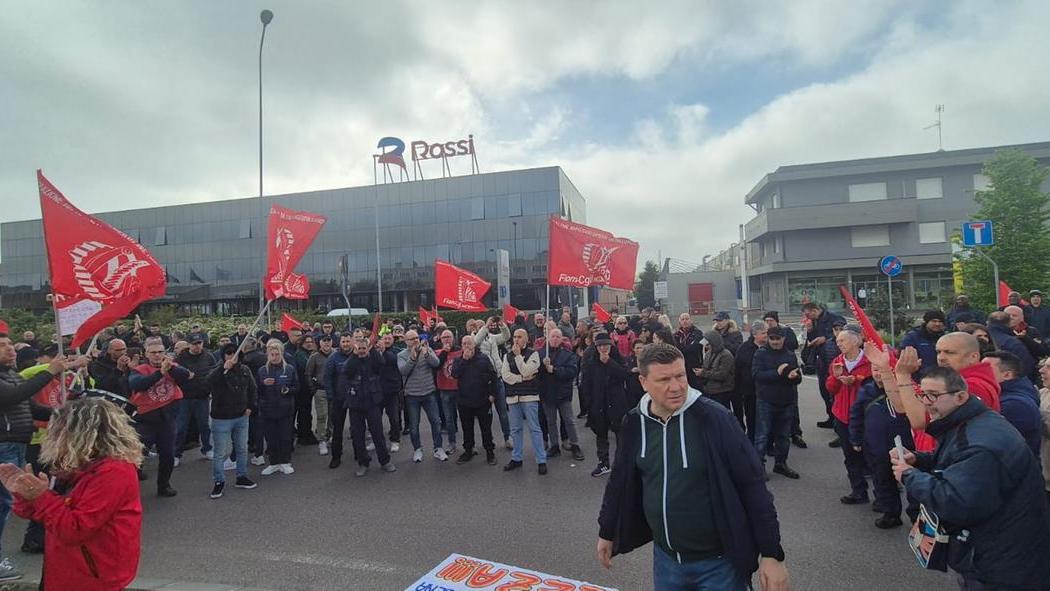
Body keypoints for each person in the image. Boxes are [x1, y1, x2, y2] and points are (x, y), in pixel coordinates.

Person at [596, 343, 790, 590]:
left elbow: (753, 487)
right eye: (664, 379)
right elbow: (619, 481)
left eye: (680, 375)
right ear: (643, 382)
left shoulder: (715, 420)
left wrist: (772, 554)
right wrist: (607, 530)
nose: (676, 387)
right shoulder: (635, 423)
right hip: (667, 563)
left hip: (720, 565)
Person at [891, 366, 1050, 589]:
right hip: (999, 547)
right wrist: (918, 459)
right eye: (922, 394)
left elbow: (955, 501)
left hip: (1001, 559)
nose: (926, 402)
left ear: (960, 396)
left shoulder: (980, 443)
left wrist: (909, 476)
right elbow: (957, 461)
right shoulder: (974, 421)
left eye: (933, 395)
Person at [2, 397, 143, 591]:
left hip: (93, 574)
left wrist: (40, 496)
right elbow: (41, 515)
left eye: (59, 431)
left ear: (80, 434)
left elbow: (74, 529)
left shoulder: (114, 471)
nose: (51, 436)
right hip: (68, 567)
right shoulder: (77, 467)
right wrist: (24, 493)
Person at [0, 330, 74, 582]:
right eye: (3, 346)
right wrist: (49, 371)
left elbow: (31, 407)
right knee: (2, 504)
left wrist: (64, 415)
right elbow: (11, 397)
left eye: (10, 344)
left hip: (16, 444)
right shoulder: (7, 382)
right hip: (4, 445)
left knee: (6, 504)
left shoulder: (9, 375)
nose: (11, 349)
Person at [847, 360, 912, 529]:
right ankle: (891, 514)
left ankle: (916, 516)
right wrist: (855, 438)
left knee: (912, 483)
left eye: (884, 370)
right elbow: (856, 415)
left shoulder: (906, 390)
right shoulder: (866, 391)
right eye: (875, 369)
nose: (879, 374)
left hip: (906, 447)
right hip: (876, 447)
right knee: (883, 481)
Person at [129, 336, 191, 497]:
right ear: (146, 354)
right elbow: (138, 384)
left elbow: (185, 375)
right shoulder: (139, 370)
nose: (157, 355)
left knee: (167, 455)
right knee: (137, 455)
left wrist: (169, 368)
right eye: (153, 352)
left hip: (167, 420)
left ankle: (164, 486)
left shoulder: (171, 366)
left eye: (160, 352)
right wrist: (159, 374)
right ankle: (131, 486)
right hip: (145, 420)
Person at [825, 326, 871, 504]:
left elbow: (876, 385)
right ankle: (859, 491)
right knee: (850, 456)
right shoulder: (837, 361)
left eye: (842, 341)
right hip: (843, 414)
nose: (839, 344)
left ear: (855, 341)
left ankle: (885, 496)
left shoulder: (869, 360)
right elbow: (831, 389)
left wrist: (857, 380)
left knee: (874, 455)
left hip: (866, 415)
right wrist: (836, 378)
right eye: (837, 341)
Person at [206, 344, 258, 499]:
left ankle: (241, 476)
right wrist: (223, 369)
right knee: (220, 452)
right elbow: (207, 382)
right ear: (223, 356)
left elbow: (252, 389)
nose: (231, 356)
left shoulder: (245, 370)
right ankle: (219, 481)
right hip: (221, 418)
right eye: (227, 354)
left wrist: (250, 406)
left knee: (242, 448)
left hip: (241, 416)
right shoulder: (217, 370)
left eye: (234, 353)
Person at [751, 326, 803, 479]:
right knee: (762, 436)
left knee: (783, 436)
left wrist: (795, 377)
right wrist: (777, 373)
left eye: (777, 339)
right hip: (766, 400)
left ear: (783, 339)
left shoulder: (789, 355)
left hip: (786, 401)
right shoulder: (760, 354)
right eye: (772, 338)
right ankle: (758, 467)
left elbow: (798, 378)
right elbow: (756, 375)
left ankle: (781, 464)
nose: (775, 342)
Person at [342, 338, 395, 477]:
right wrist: (354, 355)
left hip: (372, 402)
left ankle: (385, 461)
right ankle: (363, 463)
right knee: (358, 436)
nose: (361, 351)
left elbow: (381, 363)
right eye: (359, 349)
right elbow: (346, 371)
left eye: (364, 348)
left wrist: (372, 349)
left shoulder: (373, 360)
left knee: (378, 433)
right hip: (355, 404)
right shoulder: (351, 360)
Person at [581, 332, 628, 478]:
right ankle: (603, 462)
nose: (603, 348)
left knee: (620, 434)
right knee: (601, 435)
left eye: (606, 345)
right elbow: (586, 384)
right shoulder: (591, 362)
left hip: (616, 403)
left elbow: (623, 374)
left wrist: (609, 362)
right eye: (600, 345)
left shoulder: (617, 358)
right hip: (599, 403)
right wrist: (589, 404)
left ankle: (622, 464)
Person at [501, 328, 546, 474]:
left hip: (529, 396)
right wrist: (521, 379)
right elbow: (505, 376)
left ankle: (541, 460)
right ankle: (516, 458)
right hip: (513, 397)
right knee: (515, 429)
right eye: (514, 337)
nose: (516, 339)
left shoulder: (533, 354)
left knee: (534, 428)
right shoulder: (507, 356)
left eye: (519, 337)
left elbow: (527, 370)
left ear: (526, 339)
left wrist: (519, 357)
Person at [398, 330, 446, 463]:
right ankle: (417, 449)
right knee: (414, 425)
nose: (415, 341)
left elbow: (436, 364)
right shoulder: (401, 355)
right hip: (412, 395)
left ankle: (438, 448)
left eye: (416, 338)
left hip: (429, 392)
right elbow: (403, 371)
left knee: (436, 422)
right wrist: (412, 358)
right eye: (411, 339)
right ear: (406, 341)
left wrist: (427, 354)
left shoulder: (427, 349)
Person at [982, 350, 1041, 458]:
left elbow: (990, 441)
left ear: (1007, 375)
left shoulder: (1015, 405)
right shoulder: (1009, 395)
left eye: (986, 369)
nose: (980, 372)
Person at [450, 335, 498, 465]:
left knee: (486, 429)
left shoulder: (483, 358)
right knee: (467, 428)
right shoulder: (458, 360)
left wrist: (493, 394)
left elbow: (493, 376)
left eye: (469, 343)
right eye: (464, 343)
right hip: (464, 401)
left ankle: (490, 452)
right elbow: (454, 374)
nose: (466, 346)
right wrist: (465, 360)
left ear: (474, 345)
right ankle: (468, 451)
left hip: (483, 400)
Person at [539, 329, 584, 461]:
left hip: (563, 395)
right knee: (550, 422)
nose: (555, 339)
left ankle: (575, 445)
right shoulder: (541, 353)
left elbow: (572, 372)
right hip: (547, 394)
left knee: (569, 420)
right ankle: (554, 446)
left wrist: (555, 370)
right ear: (548, 338)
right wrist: (542, 366)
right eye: (553, 336)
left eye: (558, 337)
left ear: (561, 339)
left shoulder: (568, 354)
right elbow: (536, 373)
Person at [256, 340, 298, 476]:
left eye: (277, 354)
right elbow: (256, 391)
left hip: (285, 409)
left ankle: (285, 462)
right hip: (267, 409)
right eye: (271, 354)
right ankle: (273, 463)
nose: (274, 357)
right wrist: (263, 384)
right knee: (271, 437)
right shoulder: (262, 371)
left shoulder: (289, 369)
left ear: (281, 354)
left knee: (285, 437)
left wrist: (288, 390)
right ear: (268, 355)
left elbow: (297, 387)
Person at [173, 333, 214, 466]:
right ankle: (176, 454)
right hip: (184, 397)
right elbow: (174, 374)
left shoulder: (208, 356)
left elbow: (213, 371)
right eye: (194, 344)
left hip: (202, 397)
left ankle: (207, 448)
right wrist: (185, 376)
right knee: (181, 427)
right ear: (189, 344)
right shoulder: (181, 358)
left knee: (204, 425)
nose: (197, 346)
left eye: (199, 343)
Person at [803, 302, 844, 429]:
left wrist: (825, 338)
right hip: (821, 358)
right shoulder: (814, 321)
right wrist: (810, 331)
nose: (807, 317)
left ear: (815, 310)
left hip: (834, 358)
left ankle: (839, 421)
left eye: (808, 314)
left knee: (836, 392)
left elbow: (843, 333)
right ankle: (831, 417)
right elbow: (812, 339)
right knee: (824, 390)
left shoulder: (833, 318)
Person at [475, 316, 512, 450]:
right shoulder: (473, 339)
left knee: (503, 412)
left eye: (485, 325)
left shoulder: (492, 338)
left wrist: (502, 325)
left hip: (497, 378)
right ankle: (489, 440)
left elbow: (506, 337)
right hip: (483, 383)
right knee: (486, 414)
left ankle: (508, 437)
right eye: (481, 326)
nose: (486, 327)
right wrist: (485, 327)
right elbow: (475, 341)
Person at [323, 334, 355, 469]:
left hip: (355, 398)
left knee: (357, 429)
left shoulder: (357, 355)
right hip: (339, 398)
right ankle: (336, 456)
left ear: (352, 341)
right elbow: (327, 378)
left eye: (348, 341)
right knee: (337, 429)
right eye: (343, 341)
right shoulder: (333, 358)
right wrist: (331, 396)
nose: (346, 344)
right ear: (340, 342)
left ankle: (359, 453)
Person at [696, 330, 739, 423]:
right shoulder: (708, 353)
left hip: (722, 391)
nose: (706, 346)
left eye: (708, 343)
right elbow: (706, 367)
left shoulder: (726, 355)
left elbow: (722, 375)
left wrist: (703, 373)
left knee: (722, 417)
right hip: (710, 390)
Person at [735, 322, 766, 441]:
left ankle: (767, 444)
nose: (766, 335)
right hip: (749, 391)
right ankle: (751, 441)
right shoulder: (744, 348)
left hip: (767, 390)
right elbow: (737, 368)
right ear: (754, 334)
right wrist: (739, 389)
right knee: (751, 417)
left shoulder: (770, 347)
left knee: (766, 419)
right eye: (763, 333)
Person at [305, 335, 332, 456]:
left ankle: (330, 436)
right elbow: (308, 374)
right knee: (322, 416)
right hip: (320, 391)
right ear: (320, 343)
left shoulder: (335, 354)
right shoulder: (314, 357)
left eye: (328, 341)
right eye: (324, 341)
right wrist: (313, 389)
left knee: (333, 416)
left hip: (334, 391)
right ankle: (322, 440)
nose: (326, 343)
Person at [435, 329, 461, 454]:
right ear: (440, 339)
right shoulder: (437, 352)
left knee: (466, 417)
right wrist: (444, 352)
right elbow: (437, 366)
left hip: (460, 389)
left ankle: (469, 443)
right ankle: (452, 443)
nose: (446, 339)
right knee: (449, 419)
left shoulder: (460, 351)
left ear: (453, 338)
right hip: (445, 390)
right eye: (444, 337)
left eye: (449, 336)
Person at [899, 311, 945, 380]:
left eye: (940, 321)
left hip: (942, 378)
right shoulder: (913, 337)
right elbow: (904, 357)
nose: (937, 324)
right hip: (919, 379)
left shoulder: (945, 337)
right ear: (927, 322)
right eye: (934, 321)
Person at [376, 334, 402, 453]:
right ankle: (376, 440)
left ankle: (395, 440)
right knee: (375, 419)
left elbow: (392, 360)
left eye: (389, 339)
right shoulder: (375, 352)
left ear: (393, 341)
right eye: (384, 339)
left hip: (391, 390)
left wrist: (384, 350)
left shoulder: (395, 352)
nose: (386, 341)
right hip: (377, 391)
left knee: (394, 418)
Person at [1002, 306, 1045, 375]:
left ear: (1022, 318)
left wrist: (1025, 338)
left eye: (1014, 315)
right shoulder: (998, 332)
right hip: (1005, 370)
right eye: (1007, 315)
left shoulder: (1031, 331)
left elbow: (1042, 351)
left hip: (1028, 371)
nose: (1010, 317)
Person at [673, 313, 704, 390]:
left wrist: (682, 349)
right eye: (682, 319)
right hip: (680, 366)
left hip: (694, 366)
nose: (685, 321)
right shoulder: (676, 335)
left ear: (691, 320)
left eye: (687, 319)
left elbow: (695, 347)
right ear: (679, 322)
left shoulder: (698, 333)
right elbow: (674, 349)